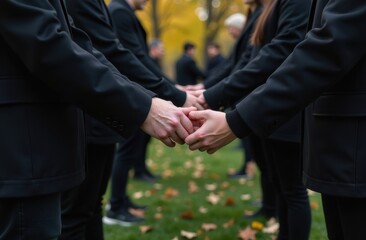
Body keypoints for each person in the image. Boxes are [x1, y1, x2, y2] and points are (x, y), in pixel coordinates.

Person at [0, 0, 195, 239]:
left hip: (34, 146)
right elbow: (49, 46)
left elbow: (80, 46)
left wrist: (148, 101)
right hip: (21, 148)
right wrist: (145, 108)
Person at [187, 0, 366, 239]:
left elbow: (324, 47)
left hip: (348, 143)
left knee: (294, 193)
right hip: (335, 140)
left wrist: (236, 119)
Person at [61, 0, 202, 238]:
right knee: (77, 212)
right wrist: (154, 101)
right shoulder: (109, 8)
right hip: (93, 111)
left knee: (91, 205)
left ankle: (117, 203)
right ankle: (118, 205)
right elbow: (114, 55)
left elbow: (104, 55)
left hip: (108, 107)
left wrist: (158, 95)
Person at [190, 0, 312, 239]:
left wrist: (211, 96)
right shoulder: (267, 9)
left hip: (286, 111)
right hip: (266, 109)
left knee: (293, 191)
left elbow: (278, 52)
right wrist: (210, 92)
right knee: (280, 185)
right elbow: (248, 60)